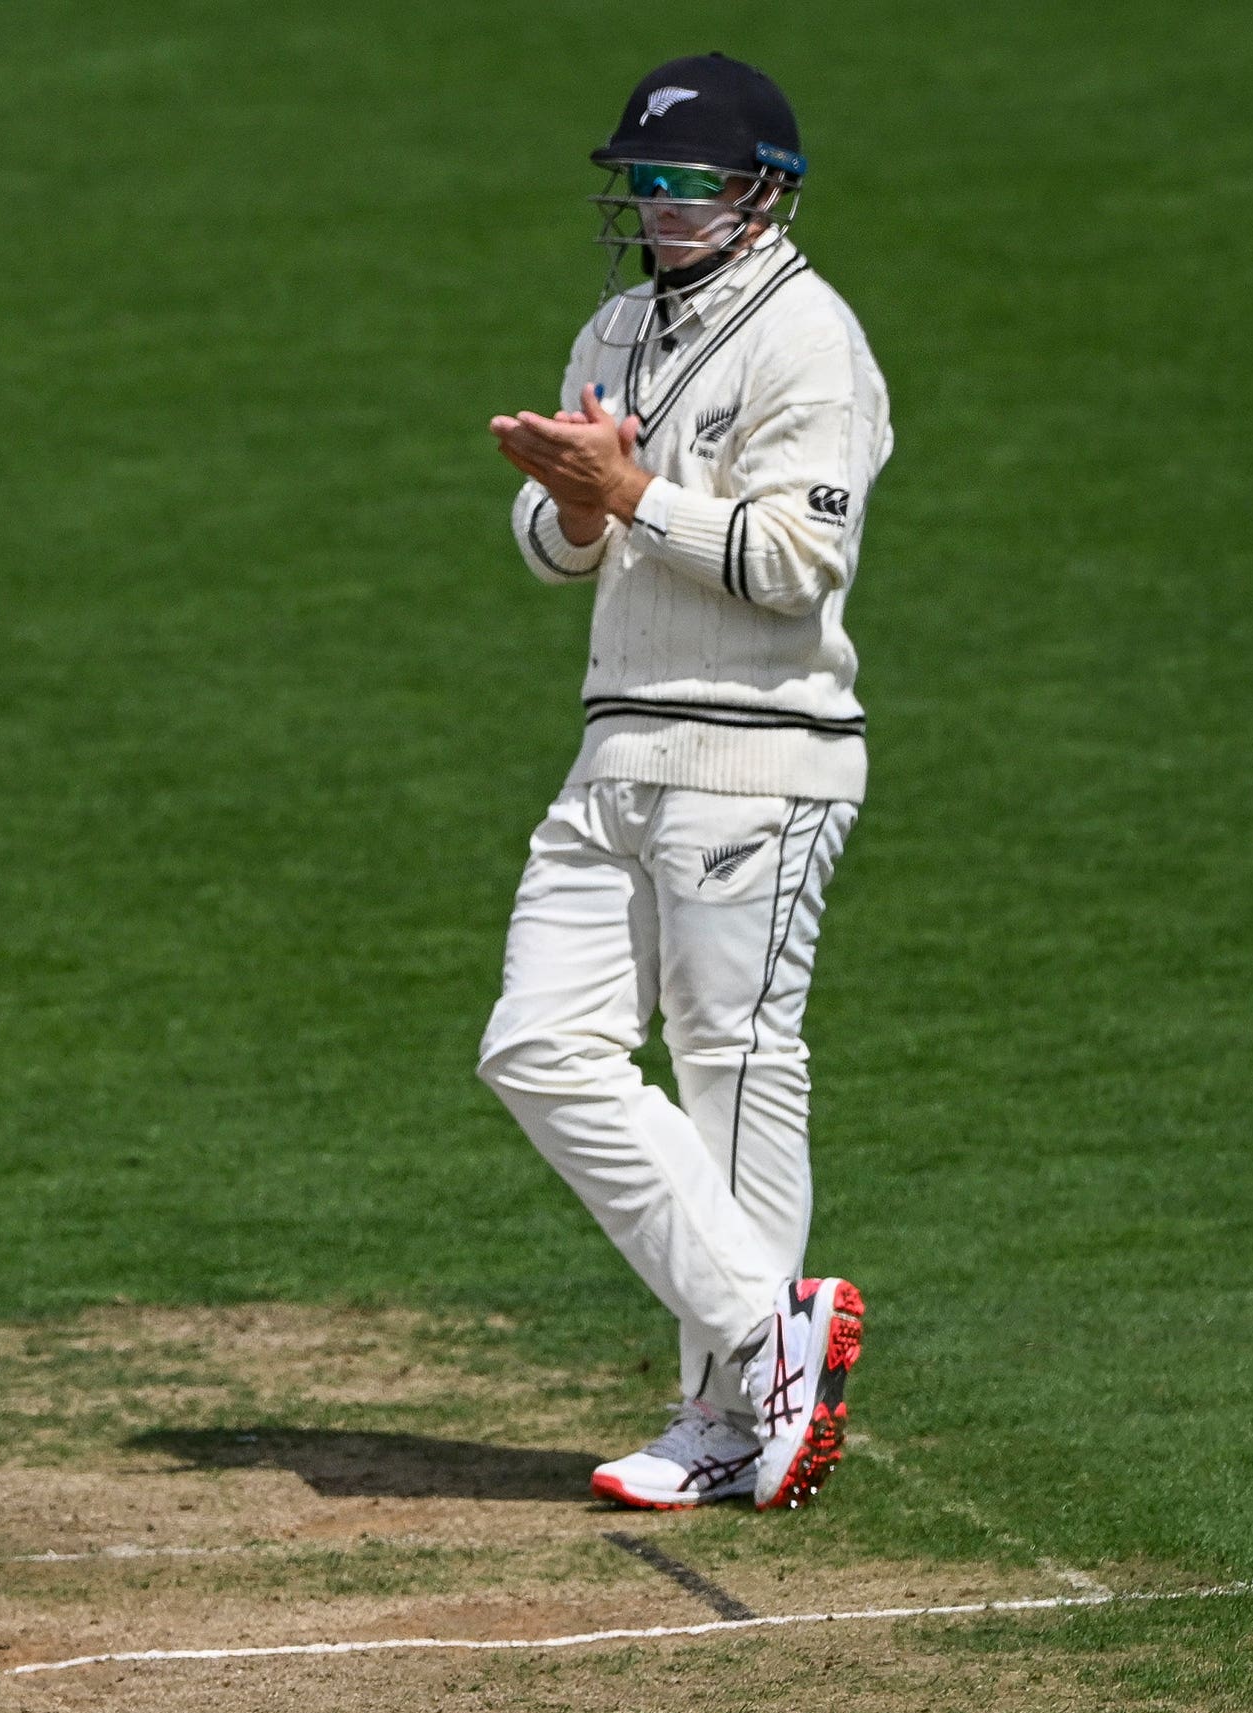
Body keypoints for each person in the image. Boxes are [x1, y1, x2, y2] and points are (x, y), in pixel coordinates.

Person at [478, 54, 888, 1513]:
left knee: (729, 1072)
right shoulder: (616, 322)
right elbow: (546, 541)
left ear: (763, 191)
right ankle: (760, 1334)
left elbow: (793, 568)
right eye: (637, 183)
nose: (653, 209)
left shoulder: (808, 344)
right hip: (615, 746)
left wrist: (630, 495)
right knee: (537, 1046)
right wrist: (584, 503)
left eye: (682, 184)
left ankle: (724, 1415)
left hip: (755, 759)